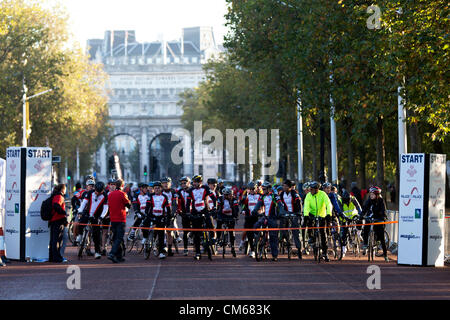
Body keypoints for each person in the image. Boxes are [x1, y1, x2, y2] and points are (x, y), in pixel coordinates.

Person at [251, 182, 283, 261]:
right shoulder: (262, 196)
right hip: (264, 216)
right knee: (255, 226)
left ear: (269, 189)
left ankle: (274, 255)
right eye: (262, 189)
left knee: (273, 237)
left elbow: (280, 205)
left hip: (273, 218)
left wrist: (281, 212)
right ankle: (258, 240)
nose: (263, 190)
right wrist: (254, 210)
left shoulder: (275, 196)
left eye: (264, 189)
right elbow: (258, 204)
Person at [78, 181, 109, 259]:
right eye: (96, 191)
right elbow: (84, 202)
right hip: (88, 212)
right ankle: (80, 236)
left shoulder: (105, 195)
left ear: (102, 190)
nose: (97, 193)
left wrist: (101, 217)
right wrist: (80, 211)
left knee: (96, 234)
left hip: (96, 216)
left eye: (99, 192)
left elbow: (105, 208)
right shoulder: (90, 192)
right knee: (81, 222)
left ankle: (97, 252)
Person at [303, 181, 332, 262]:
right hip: (312, 214)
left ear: (317, 189)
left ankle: (325, 253)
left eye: (312, 189)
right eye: (310, 189)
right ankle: (311, 238)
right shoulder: (308, 195)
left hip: (322, 215)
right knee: (309, 224)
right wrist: (306, 215)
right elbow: (306, 206)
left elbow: (328, 204)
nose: (310, 190)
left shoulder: (323, 194)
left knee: (323, 233)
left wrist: (329, 214)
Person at [186, 175, 213, 260]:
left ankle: (213, 237)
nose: (194, 184)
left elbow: (214, 198)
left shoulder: (205, 188)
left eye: (196, 182)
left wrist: (215, 207)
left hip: (205, 210)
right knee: (196, 233)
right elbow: (188, 203)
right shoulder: (190, 190)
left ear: (200, 182)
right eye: (193, 182)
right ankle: (197, 252)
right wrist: (188, 212)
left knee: (210, 223)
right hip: (195, 212)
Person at [143, 181, 171, 259]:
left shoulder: (164, 197)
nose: (157, 190)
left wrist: (168, 218)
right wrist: (146, 215)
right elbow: (147, 207)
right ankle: (145, 239)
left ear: (161, 188)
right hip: (152, 216)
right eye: (155, 188)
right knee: (144, 225)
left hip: (161, 217)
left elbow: (168, 209)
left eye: (158, 188)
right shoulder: (150, 196)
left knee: (161, 234)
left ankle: (161, 251)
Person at [361, 186, 389, 262]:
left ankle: (385, 254)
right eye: (370, 194)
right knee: (366, 228)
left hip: (379, 218)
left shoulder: (381, 200)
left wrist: (382, 216)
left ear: (377, 195)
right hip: (370, 218)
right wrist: (361, 215)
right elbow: (364, 208)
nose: (371, 196)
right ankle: (365, 244)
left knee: (381, 236)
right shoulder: (369, 200)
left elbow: (383, 211)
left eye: (372, 194)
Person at [107, 179, 131, 263]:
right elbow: (128, 205)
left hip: (113, 219)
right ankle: (112, 253)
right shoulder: (122, 194)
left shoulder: (110, 194)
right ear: (122, 186)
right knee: (119, 237)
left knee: (116, 237)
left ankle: (119, 256)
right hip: (120, 218)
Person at [278, 179, 303, 259]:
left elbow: (299, 203)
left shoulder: (294, 193)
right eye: (283, 186)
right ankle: (287, 243)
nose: (283, 187)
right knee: (283, 229)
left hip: (295, 213)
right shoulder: (282, 194)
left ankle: (299, 249)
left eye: (285, 186)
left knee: (295, 231)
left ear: (289, 187)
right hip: (286, 213)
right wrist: (280, 212)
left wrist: (299, 212)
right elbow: (279, 204)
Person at [338, 189, 362, 258]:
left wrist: (360, 214)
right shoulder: (340, 201)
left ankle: (359, 234)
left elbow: (358, 207)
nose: (348, 202)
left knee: (360, 221)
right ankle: (344, 249)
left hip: (353, 215)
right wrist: (344, 217)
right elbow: (340, 211)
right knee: (344, 234)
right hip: (344, 218)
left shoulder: (353, 198)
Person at [216, 187, 239, 257]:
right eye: (226, 195)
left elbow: (236, 209)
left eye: (229, 195)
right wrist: (217, 216)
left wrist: (236, 217)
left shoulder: (234, 200)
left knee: (231, 232)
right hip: (222, 215)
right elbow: (218, 208)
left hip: (231, 216)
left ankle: (232, 247)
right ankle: (218, 238)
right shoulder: (220, 199)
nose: (228, 196)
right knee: (218, 224)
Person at [239, 181, 260, 257]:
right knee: (249, 234)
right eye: (250, 189)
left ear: (256, 189)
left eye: (253, 189)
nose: (251, 190)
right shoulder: (247, 196)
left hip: (258, 217)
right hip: (249, 217)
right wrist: (243, 210)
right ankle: (253, 250)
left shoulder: (260, 196)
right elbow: (244, 205)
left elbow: (264, 205)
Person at [49, 184, 68, 263]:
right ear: (63, 190)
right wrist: (64, 212)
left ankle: (53, 257)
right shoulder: (59, 197)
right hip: (58, 220)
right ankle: (56, 258)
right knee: (57, 240)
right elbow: (56, 205)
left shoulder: (55, 195)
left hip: (54, 220)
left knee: (54, 240)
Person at [161, 177, 180, 255]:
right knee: (161, 231)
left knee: (169, 231)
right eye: (164, 183)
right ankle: (161, 246)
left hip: (170, 213)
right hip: (161, 214)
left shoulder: (173, 192)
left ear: (170, 184)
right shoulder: (160, 191)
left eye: (167, 183)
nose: (166, 184)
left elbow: (175, 203)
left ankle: (169, 248)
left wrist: (173, 213)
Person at [74, 179, 95, 246]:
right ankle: (78, 236)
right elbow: (74, 198)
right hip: (83, 211)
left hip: (92, 212)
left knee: (92, 230)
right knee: (79, 223)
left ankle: (89, 247)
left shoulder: (95, 193)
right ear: (87, 186)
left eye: (92, 186)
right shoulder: (83, 192)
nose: (91, 187)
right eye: (90, 186)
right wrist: (76, 208)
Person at [177, 176, 192, 255]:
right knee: (185, 232)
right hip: (184, 213)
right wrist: (179, 210)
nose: (183, 184)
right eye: (181, 183)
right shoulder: (179, 192)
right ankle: (185, 248)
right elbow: (178, 203)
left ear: (189, 183)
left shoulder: (193, 190)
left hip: (194, 212)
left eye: (184, 183)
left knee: (197, 231)